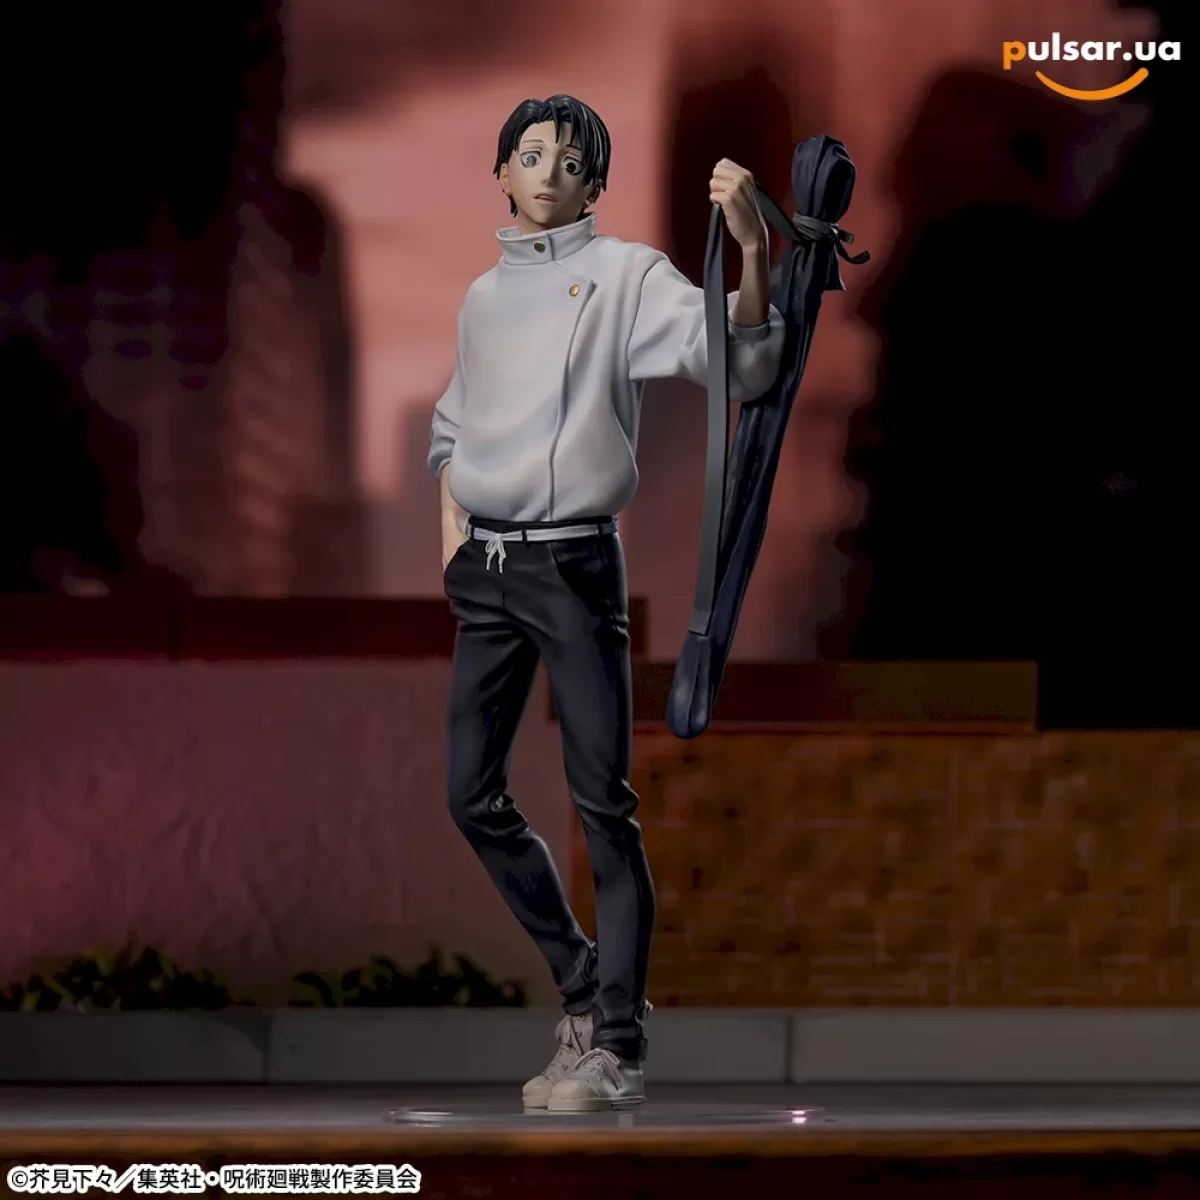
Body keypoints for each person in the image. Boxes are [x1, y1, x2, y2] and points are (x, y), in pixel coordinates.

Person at [428, 94, 784, 1112]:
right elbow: (453, 428)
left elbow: (741, 365)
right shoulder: (482, 297)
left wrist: (753, 253)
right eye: (532, 153)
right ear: (502, 171)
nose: (550, 171)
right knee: (470, 795)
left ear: (595, 186)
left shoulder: (625, 275)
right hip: (490, 571)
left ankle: (615, 1040)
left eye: (572, 160)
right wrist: (455, 547)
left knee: (602, 803)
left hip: (575, 565)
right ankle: (586, 986)